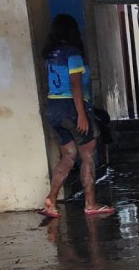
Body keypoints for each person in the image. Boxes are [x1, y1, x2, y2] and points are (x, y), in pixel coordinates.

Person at [40, 14, 115, 218]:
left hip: (54, 109)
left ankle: (51, 199)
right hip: (71, 108)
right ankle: (90, 203)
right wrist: (81, 114)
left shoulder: (51, 54)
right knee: (87, 156)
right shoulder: (72, 54)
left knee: (68, 156)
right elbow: (75, 85)